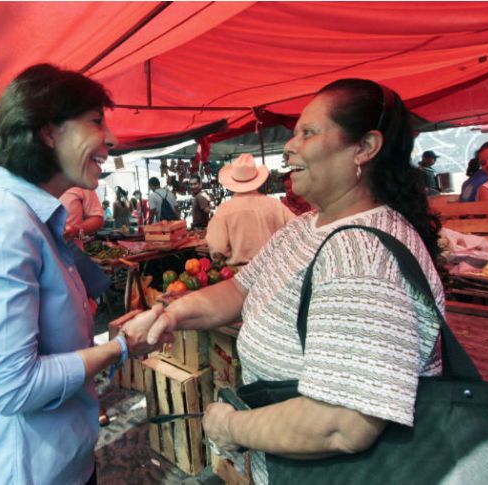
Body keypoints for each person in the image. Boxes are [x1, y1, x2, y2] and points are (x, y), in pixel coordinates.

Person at [143, 79, 445, 485]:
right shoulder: (304, 228)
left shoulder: (363, 261)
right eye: (295, 131)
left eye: (309, 132)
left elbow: (342, 423)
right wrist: (171, 312)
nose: (289, 145)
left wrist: (230, 428)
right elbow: (238, 290)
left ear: (365, 148)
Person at [0, 63, 162, 485]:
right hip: (23, 471)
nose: (111, 138)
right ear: (48, 132)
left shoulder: (35, 219)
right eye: (96, 121)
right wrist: (119, 348)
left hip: (64, 463)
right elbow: (14, 387)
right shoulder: (5, 225)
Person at [205, 153, 295, 266]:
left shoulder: (224, 210)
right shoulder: (275, 205)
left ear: (232, 182)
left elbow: (218, 247)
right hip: (275, 269)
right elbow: (297, 231)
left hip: (240, 273)